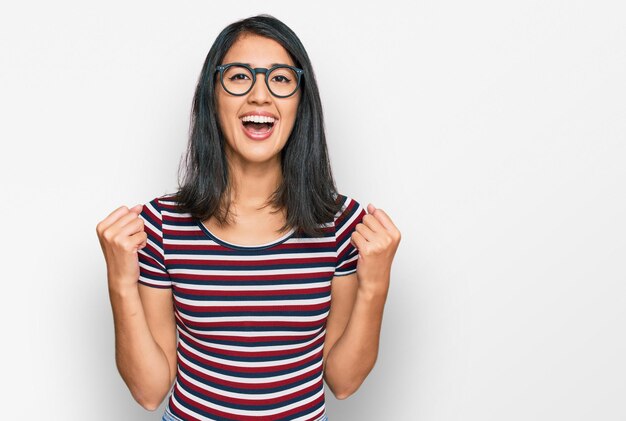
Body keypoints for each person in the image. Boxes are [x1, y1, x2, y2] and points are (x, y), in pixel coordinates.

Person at [96, 14, 401, 421]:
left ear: (301, 100)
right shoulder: (162, 226)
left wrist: (375, 283)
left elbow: (343, 382)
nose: (260, 96)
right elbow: (150, 392)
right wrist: (120, 281)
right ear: (212, 95)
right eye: (239, 77)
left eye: (280, 79)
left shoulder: (342, 225)